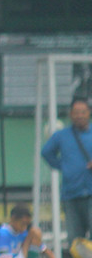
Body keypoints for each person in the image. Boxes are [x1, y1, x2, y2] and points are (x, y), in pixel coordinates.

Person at [41, 97, 92, 245]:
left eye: (83, 112)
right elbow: (46, 153)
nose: (80, 116)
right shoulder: (61, 136)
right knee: (75, 240)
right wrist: (63, 166)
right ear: (70, 114)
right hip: (71, 194)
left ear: (89, 113)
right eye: (76, 112)